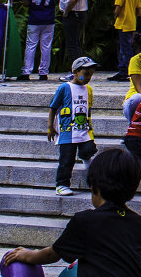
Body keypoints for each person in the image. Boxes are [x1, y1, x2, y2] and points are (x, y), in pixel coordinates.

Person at [0, 146, 141, 277]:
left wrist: (26, 255)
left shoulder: (85, 221)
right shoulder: (140, 224)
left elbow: (52, 255)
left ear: (94, 187)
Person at [47, 56, 98, 196]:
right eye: (85, 74)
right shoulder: (64, 88)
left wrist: (90, 128)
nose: (88, 78)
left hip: (83, 130)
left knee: (89, 149)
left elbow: (88, 109)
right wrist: (50, 127)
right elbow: (53, 107)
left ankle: (86, 161)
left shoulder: (88, 89)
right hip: (67, 132)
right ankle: (62, 184)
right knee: (66, 160)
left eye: (91, 75)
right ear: (75, 72)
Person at [20, 0, 60, 81]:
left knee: (31, 46)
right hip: (48, 20)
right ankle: (43, 72)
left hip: (34, 20)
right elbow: (59, 1)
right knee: (46, 46)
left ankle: (26, 72)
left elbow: (26, 2)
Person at [58, 0, 89, 79]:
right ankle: (79, 70)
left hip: (74, 14)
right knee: (75, 43)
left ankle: (75, 72)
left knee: (72, 44)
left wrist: (66, 11)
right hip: (80, 14)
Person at [108, 0, 141, 81]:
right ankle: (126, 69)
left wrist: (115, 16)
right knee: (127, 46)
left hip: (122, 24)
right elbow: (139, 12)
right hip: (132, 23)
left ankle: (125, 70)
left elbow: (117, 9)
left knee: (124, 48)